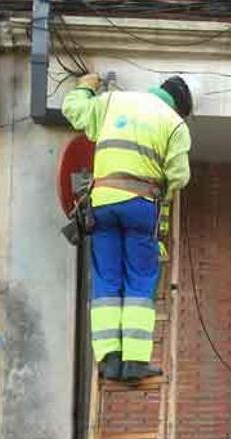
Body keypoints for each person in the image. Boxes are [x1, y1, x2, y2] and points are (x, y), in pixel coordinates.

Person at [62, 74, 192, 381]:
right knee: (139, 280)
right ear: (180, 107)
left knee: (107, 278)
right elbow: (179, 177)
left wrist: (86, 85)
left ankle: (108, 359)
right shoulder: (174, 124)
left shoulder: (112, 102)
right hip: (140, 205)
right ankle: (133, 362)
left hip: (102, 203)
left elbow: (73, 109)